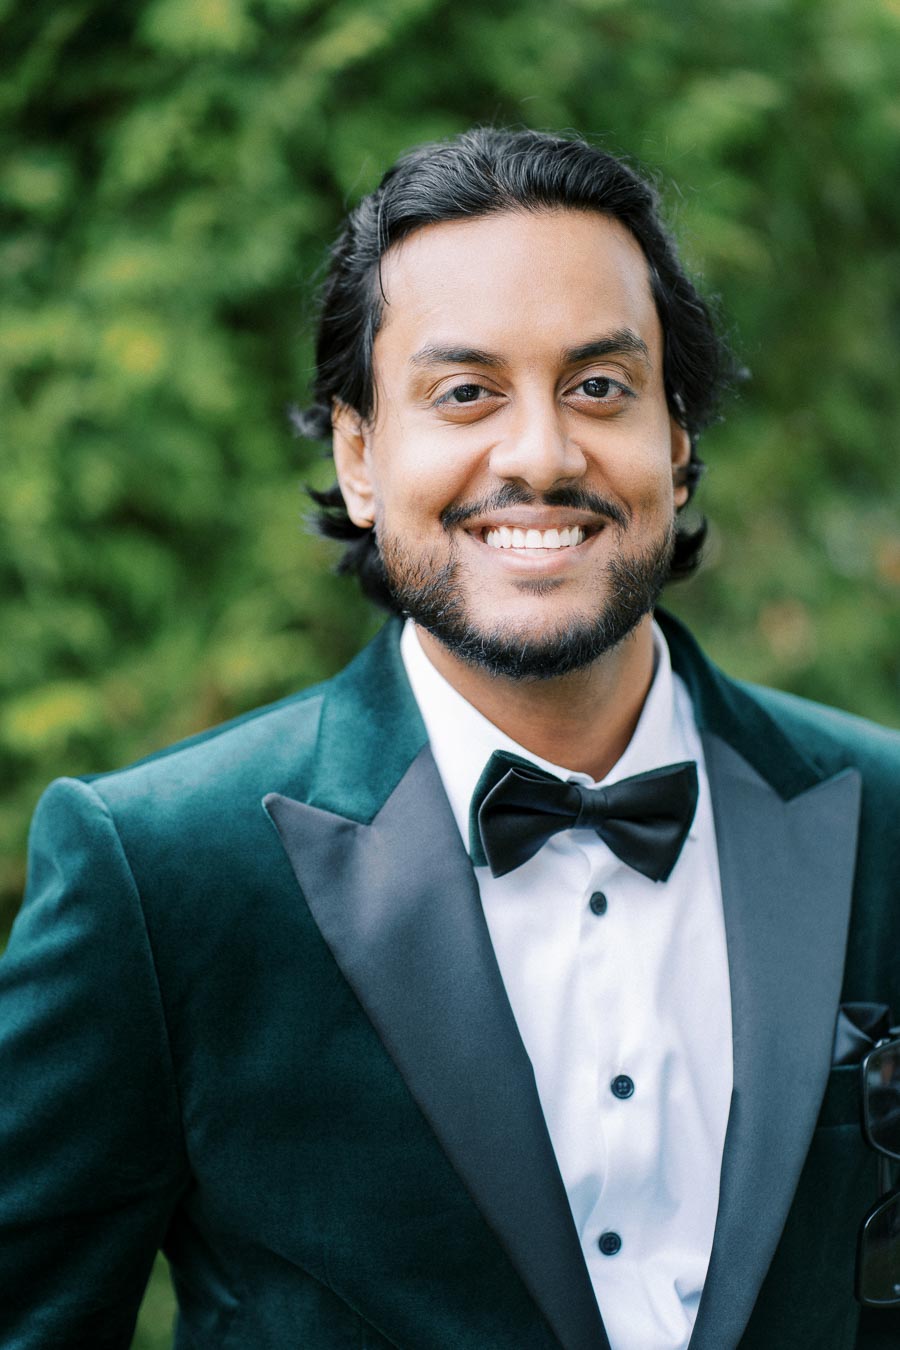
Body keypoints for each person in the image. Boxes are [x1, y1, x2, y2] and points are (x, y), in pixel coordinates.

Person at [1, 127, 898, 1350]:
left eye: (599, 387)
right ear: (360, 455)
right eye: (465, 392)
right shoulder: (158, 874)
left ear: (678, 441)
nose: (539, 454)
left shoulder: (888, 815)